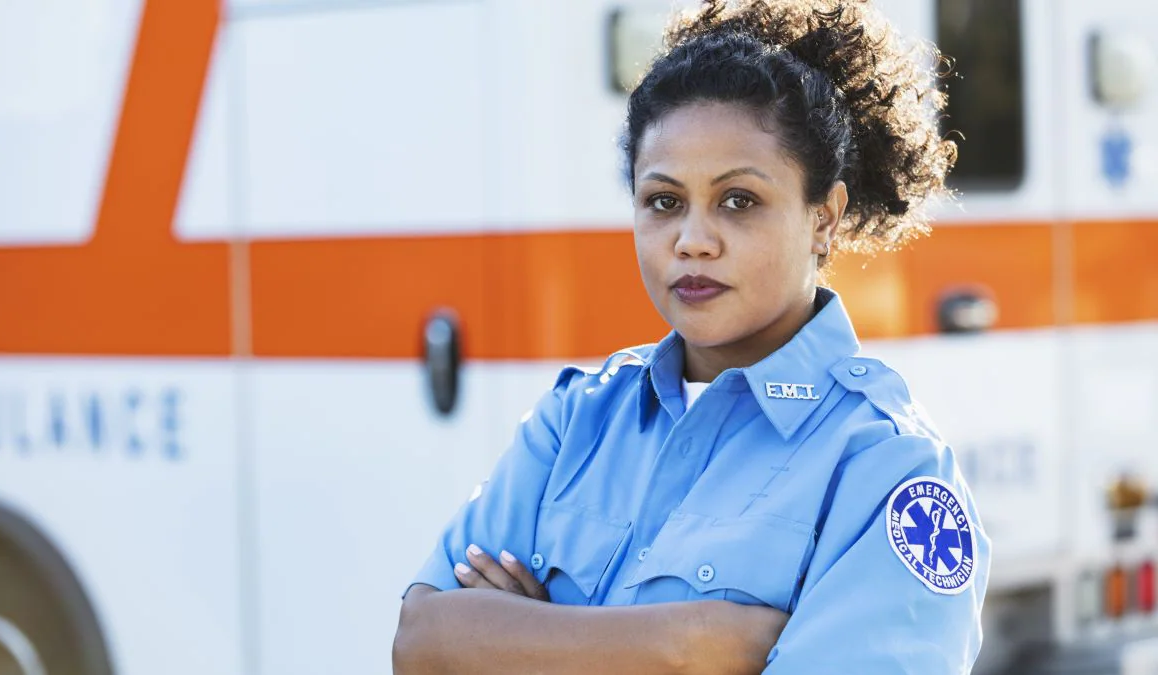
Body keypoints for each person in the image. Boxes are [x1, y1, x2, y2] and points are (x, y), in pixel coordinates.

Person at [393, 0, 989, 672]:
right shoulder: (576, 420)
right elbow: (422, 641)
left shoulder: (887, 469)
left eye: (738, 200)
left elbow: (461, 650)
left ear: (824, 217)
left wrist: (525, 638)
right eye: (664, 201)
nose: (692, 241)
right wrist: (686, 645)